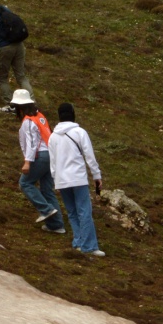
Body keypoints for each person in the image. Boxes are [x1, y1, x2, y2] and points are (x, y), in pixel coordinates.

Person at [49, 103, 104, 257]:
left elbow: (52, 162)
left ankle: (78, 242)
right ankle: (89, 246)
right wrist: (96, 175)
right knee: (84, 211)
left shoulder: (53, 136)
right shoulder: (80, 132)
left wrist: (55, 181)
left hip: (62, 179)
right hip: (78, 178)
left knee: (72, 212)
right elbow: (89, 157)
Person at [14, 90, 65, 234]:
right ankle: (56, 225)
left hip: (40, 156)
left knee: (25, 183)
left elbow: (32, 143)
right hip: (51, 154)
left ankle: (46, 209)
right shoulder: (40, 116)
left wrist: (28, 162)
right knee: (47, 190)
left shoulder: (28, 121)